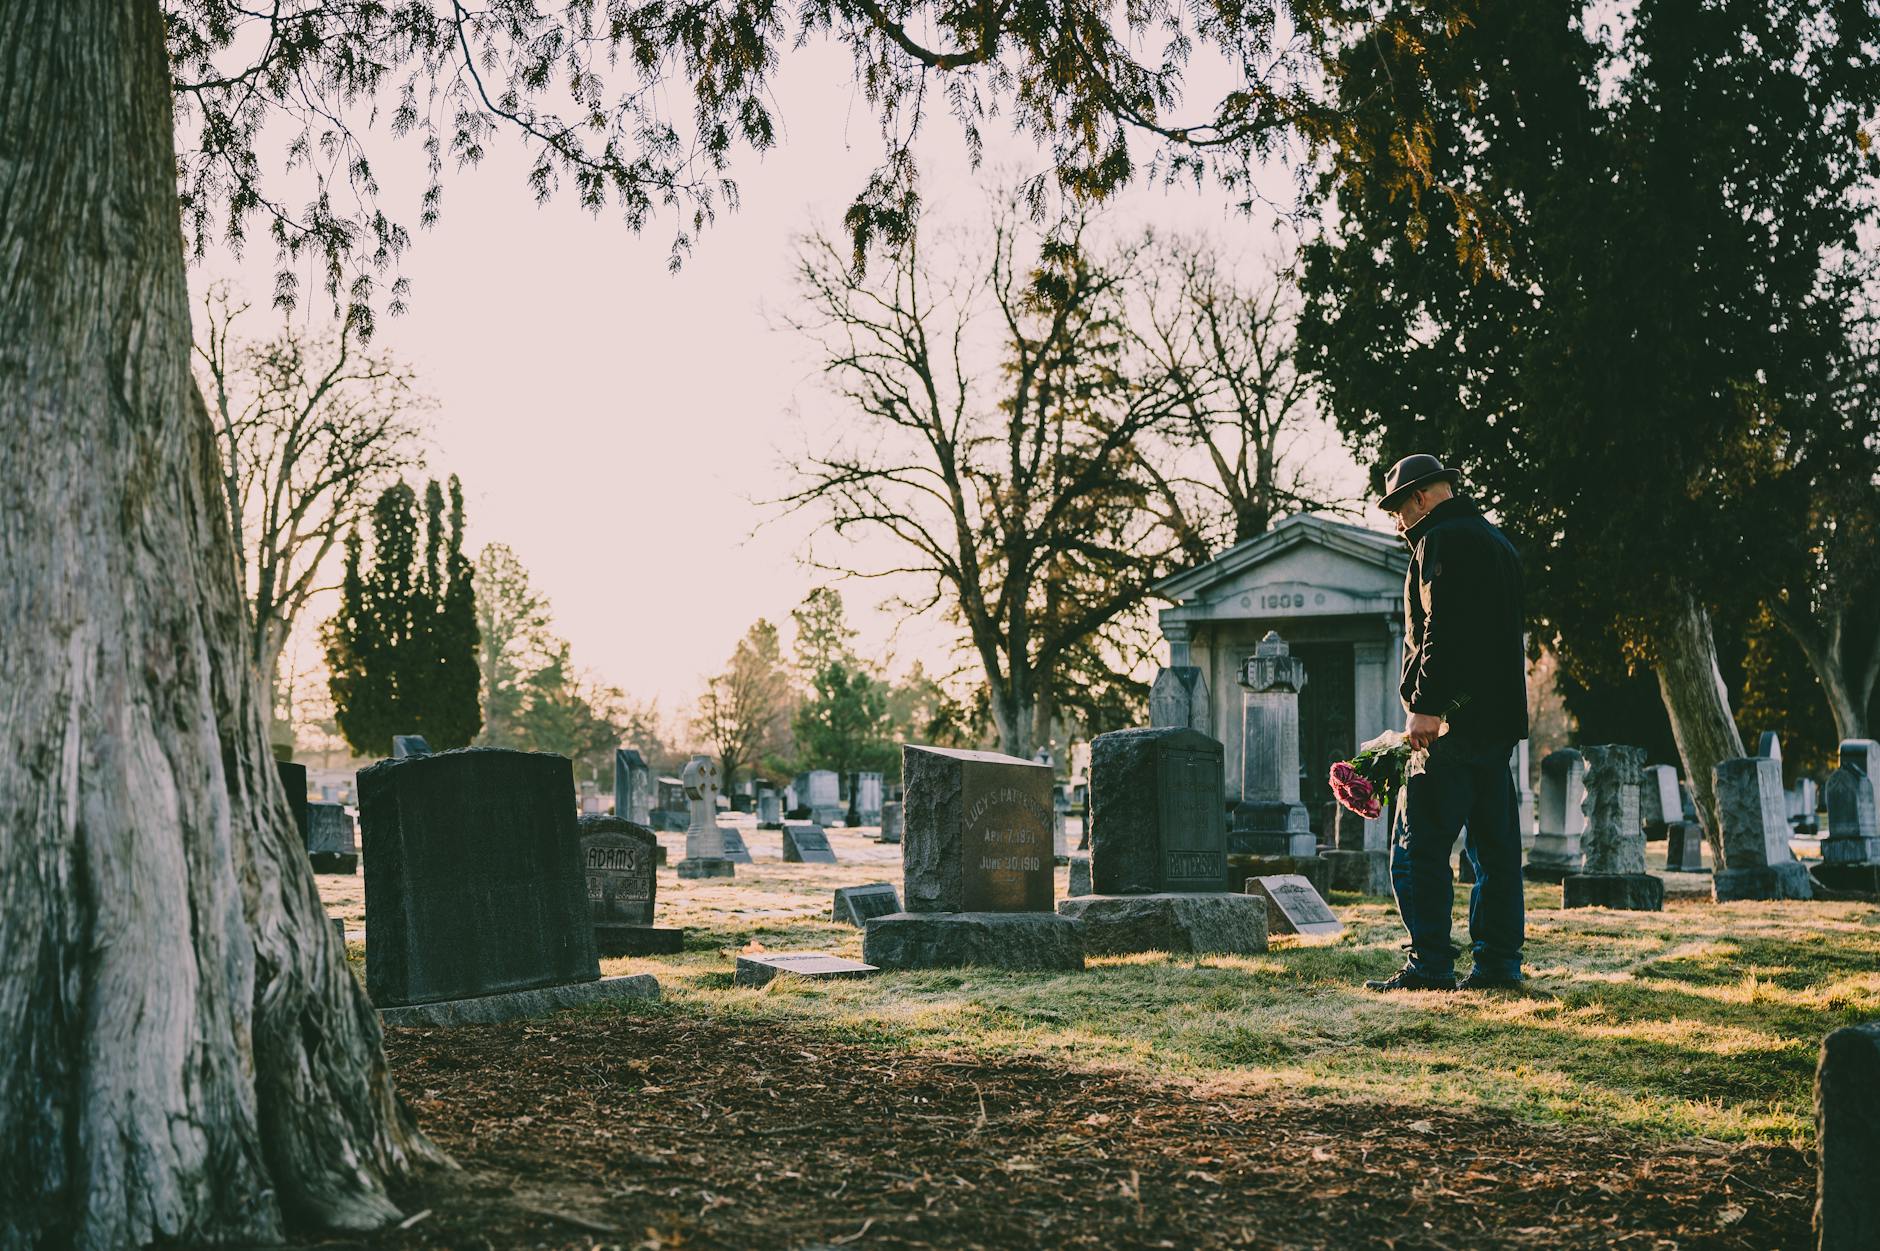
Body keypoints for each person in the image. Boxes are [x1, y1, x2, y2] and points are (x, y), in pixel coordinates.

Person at [1364, 454, 1529, 993]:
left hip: (1450, 723)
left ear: (1419, 498)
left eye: (1397, 509)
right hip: (1496, 724)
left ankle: (1430, 963)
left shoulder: (1441, 541)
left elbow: (1442, 628)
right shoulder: (1498, 543)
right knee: (1494, 850)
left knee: (1417, 847)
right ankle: (1498, 965)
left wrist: (1426, 707)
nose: (1396, 522)